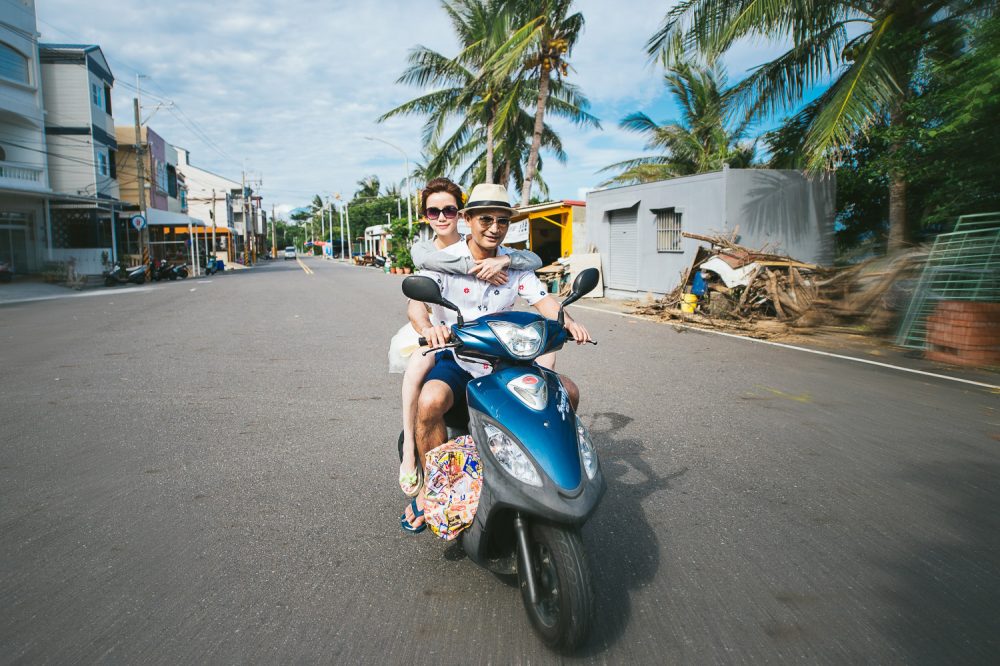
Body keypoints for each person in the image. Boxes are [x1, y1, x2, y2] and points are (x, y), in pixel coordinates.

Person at [400, 183, 591, 533]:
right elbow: (417, 303)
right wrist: (429, 327)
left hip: (508, 362)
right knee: (429, 401)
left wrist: (569, 321)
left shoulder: (514, 264)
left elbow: (542, 300)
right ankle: (434, 488)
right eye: (485, 218)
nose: (493, 227)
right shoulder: (446, 260)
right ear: (468, 218)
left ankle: (549, 470)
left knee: (568, 392)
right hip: (459, 359)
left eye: (502, 220)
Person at [396, 178, 542, 498]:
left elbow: (531, 260)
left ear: (459, 214)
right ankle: (413, 457)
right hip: (440, 329)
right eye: (434, 212)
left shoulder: (482, 240)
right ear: (426, 216)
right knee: (420, 374)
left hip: (488, 340)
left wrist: (504, 259)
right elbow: (417, 299)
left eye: (448, 209)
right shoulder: (429, 252)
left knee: (548, 362)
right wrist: (428, 327)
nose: (442, 217)